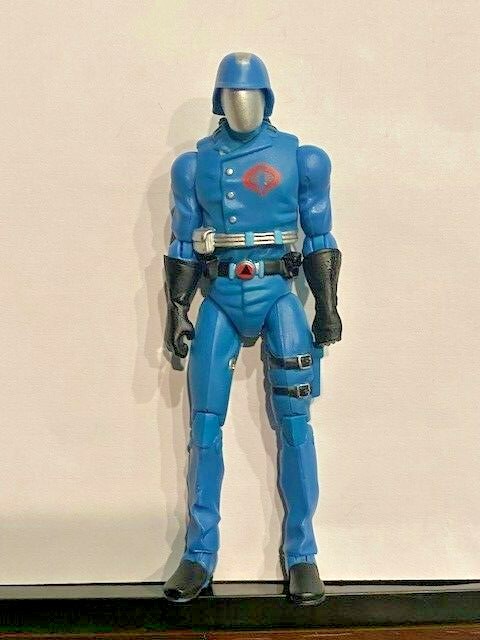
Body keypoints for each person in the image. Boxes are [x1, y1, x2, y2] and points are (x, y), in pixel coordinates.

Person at [163, 52, 342, 605]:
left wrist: (326, 306)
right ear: (219, 101)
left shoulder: (302, 159)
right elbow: (182, 240)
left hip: (278, 295)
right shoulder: (193, 165)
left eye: (251, 94)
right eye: (232, 94)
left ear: (268, 99)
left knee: (296, 423)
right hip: (219, 296)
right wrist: (177, 307)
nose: (242, 105)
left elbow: (320, 236)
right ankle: (199, 554)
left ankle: (302, 552)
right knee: (204, 425)